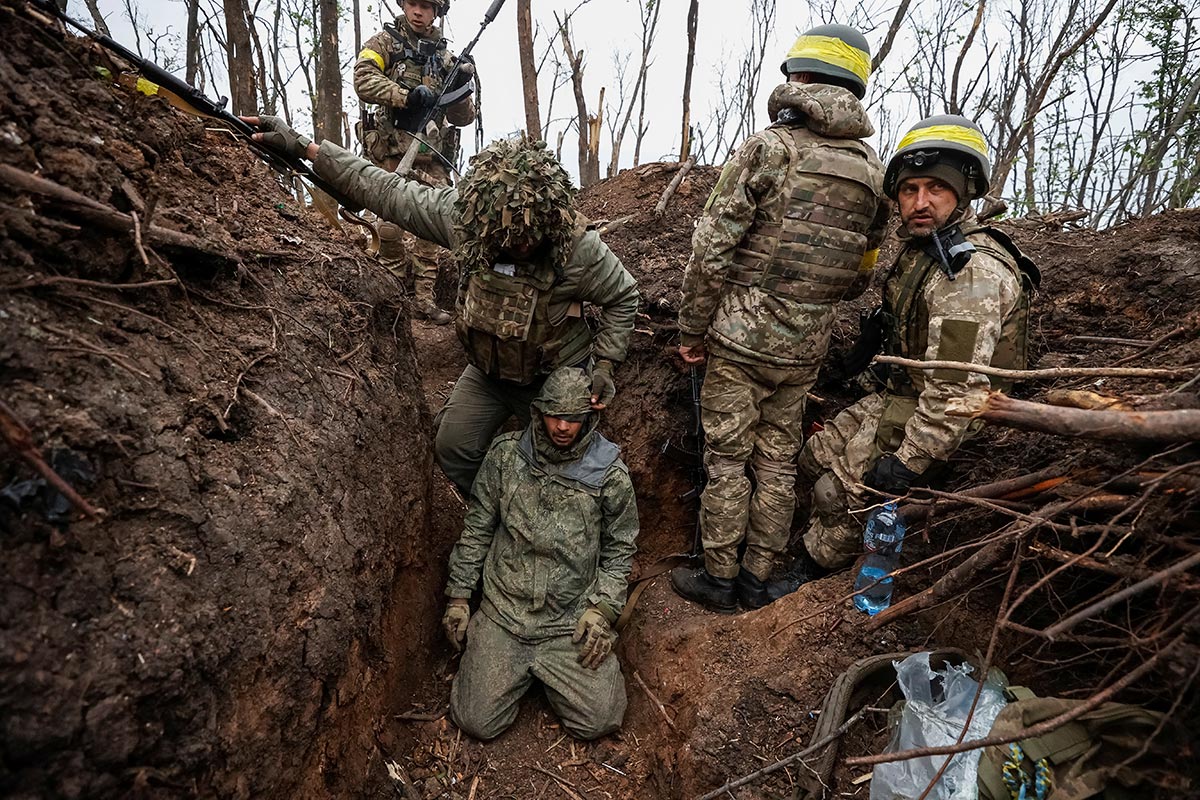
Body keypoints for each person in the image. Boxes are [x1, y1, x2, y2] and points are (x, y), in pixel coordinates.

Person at [244, 120, 640, 497]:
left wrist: (605, 365)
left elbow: (623, 296)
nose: (517, 248)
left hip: (553, 375)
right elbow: (385, 190)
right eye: (506, 241)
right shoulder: (466, 221)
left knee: (568, 464)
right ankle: (500, 510)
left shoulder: (578, 250)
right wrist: (303, 147)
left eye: (527, 243)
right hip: (488, 372)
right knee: (453, 448)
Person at [668, 25, 890, 613]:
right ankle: (758, 581)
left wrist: (692, 331)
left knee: (728, 462)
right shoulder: (873, 171)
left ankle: (718, 579)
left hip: (739, 341)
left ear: (799, 79)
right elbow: (863, 272)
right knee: (776, 463)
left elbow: (711, 249)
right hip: (804, 351)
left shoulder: (769, 148)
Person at [785, 114, 1040, 585]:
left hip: (951, 414)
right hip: (904, 393)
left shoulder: (968, 274)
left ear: (963, 192)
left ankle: (811, 572)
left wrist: (907, 462)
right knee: (812, 455)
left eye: (935, 189)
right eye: (909, 189)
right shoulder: (926, 249)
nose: (920, 202)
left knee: (835, 491)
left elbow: (956, 393)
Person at [439, 367, 639, 741]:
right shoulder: (505, 456)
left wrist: (603, 610)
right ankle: (511, 669)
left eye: (574, 419)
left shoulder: (609, 474)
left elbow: (620, 548)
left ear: (588, 419)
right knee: (476, 721)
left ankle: (544, 673)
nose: (563, 427)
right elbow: (478, 527)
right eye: (555, 416)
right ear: (538, 412)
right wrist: (459, 595)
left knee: (601, 720)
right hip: (504, 612)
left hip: (568, 619)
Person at [354, 0, 476, 324]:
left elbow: (463, 117)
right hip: (391, 152)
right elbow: (362, 78)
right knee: (389, 227)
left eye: (426, 6)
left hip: (431, 155)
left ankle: (424, 298)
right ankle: (392, 295)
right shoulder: (385, 43)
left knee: (431, 229)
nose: (418, 12)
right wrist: (404, 96)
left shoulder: (446, 58)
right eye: (412, 4)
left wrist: (462, 85)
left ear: (437, 12)